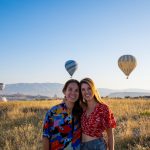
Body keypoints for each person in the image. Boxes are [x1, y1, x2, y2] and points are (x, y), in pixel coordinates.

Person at [42, 79, 83, 150]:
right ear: (64, 91)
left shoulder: (81, 112)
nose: (73, 93)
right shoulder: (54, 112)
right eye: (70, 89)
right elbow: (46, 136)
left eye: (76, 90)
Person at [80, 78, 116, 150]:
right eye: (83, 89)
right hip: (81, 146)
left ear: (94, 89)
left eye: (89, 88)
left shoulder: (103, 108)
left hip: (96, 146)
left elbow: (110, 135)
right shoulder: (82, 108)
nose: (86, 92)